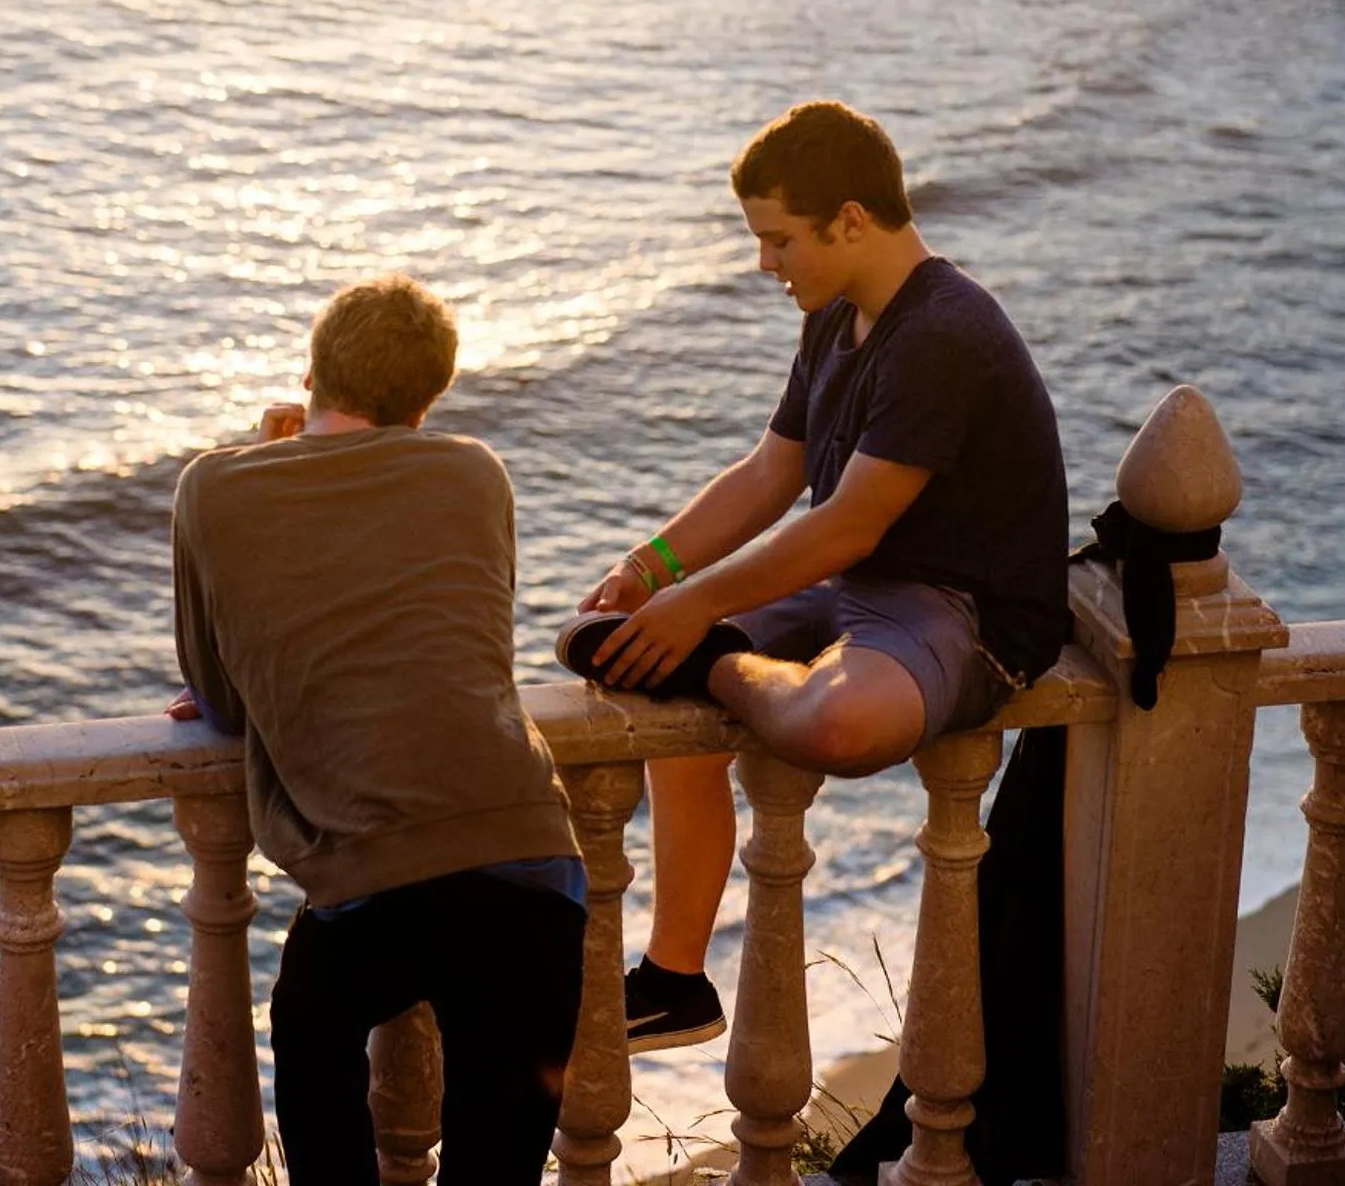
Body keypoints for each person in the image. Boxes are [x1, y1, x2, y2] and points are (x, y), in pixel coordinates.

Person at [560, 100, 1069, 1051]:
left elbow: (846, 523)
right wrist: (649, 568)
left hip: (961, 607)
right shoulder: (836, 313)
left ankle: (710, 666)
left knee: (833, 721)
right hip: (857, 582)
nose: (765, 264)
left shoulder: (941, 334)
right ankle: (675, 979)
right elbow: (770, 472)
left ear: (850, 218)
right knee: (607, 648)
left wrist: (699, 615)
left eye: (778, 240)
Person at [168, 274, 586, 1184]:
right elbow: (470, 640)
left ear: (310, 372)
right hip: (531, 862)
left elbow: (222, 698)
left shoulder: (212, 489)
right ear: (430, 400)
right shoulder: (473, 471)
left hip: (369, 882)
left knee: (312, 1039)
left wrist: (265, 456)